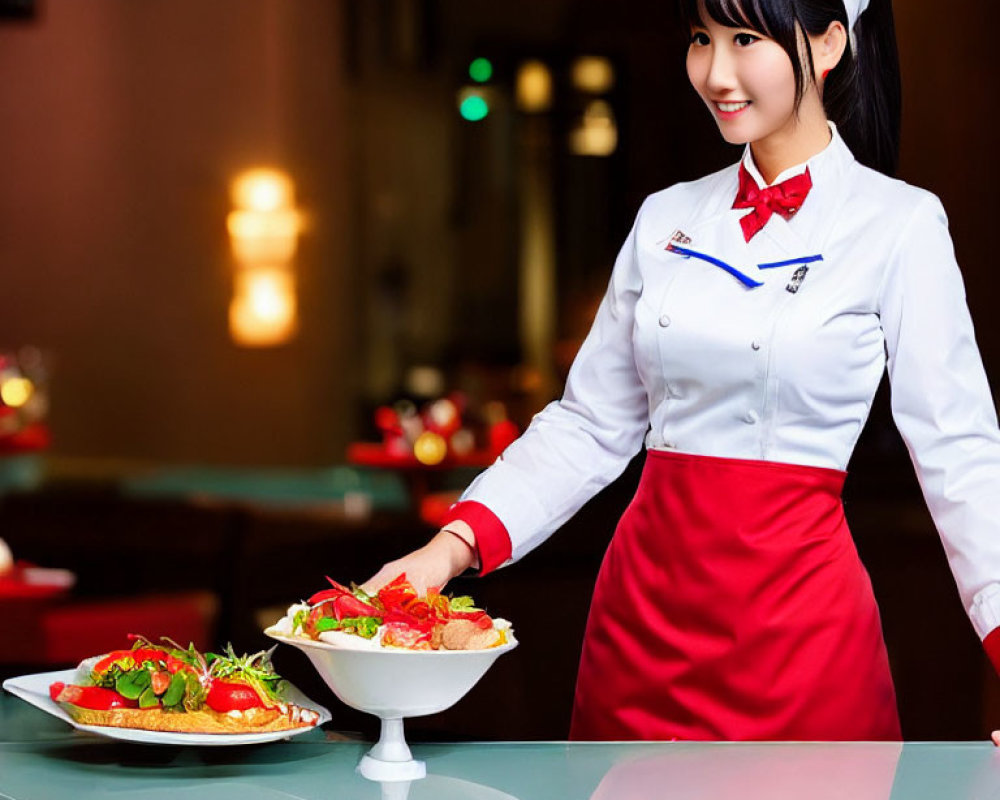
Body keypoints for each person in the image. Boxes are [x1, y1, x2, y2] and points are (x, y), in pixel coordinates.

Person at [364, 0, 1000, 741]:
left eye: (745, 40)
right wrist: (448, 551)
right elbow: (590, 423)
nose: (715, 72)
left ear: (830, 43)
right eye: (702, 38)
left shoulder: (899, 224)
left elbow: (959, 453)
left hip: (801, 636)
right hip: (642, 627)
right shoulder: (664, 217)